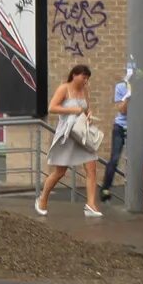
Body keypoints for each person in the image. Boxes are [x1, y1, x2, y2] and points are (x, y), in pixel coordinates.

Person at [35, 63, 104, 218]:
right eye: (83, 77)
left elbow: (86, 108)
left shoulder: (84, 90)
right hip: (67, 134)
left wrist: (88, 114)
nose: (85, 81)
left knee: (91, 168)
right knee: (60, 172)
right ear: (74, 75)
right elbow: (52, 108)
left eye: (87, 78)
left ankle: (91, 205)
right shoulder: (64, 88)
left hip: (82, 133)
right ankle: (42, 198)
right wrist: (73, 110)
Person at [98, 64, 133, 202]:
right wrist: (128, 95)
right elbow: (122, 110)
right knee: (115, 158)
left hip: (136, 128)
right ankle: (105, 189)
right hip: (121, 126)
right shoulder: (120, 87)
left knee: (138, 159)